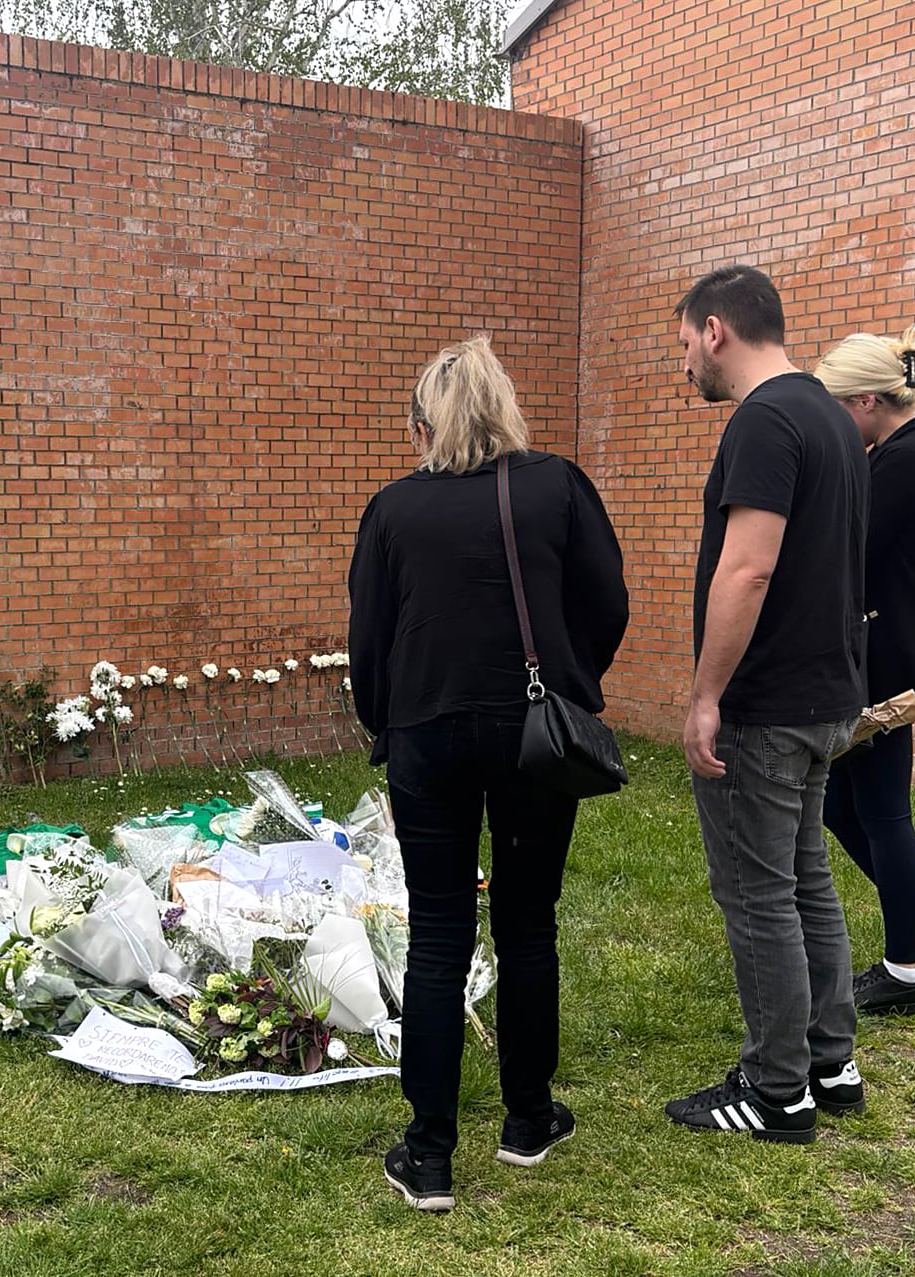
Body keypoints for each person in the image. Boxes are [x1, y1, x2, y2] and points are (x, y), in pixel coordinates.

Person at [350, 334, 627, 1211]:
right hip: (533, 735)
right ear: (503, 406)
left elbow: (369, 640)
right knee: (527, 922)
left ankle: (428, 1153)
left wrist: (383, 722)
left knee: (438, 934)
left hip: (426, 733)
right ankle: (527, 1117)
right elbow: (606, 602)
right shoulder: (557, 487)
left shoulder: (391, 509)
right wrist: (573, 683)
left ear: (425, 421)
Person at [667, 266, 870, 1144]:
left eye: (683, 345)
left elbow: (746, 568)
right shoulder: (830, 412)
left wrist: (706, 694)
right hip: (828, 696)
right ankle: (831, 1061)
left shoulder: (763, 421)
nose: (684, 367)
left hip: (768, 705)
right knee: (804, 883)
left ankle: (776, 1089)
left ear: (716, 330)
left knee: (756, 894)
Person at [813, 326, 915, 1014]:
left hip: (887, 660)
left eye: (839, 408)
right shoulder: (902, 451)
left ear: (869, 399)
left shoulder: (909, 461)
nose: (838, 425)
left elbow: (849, 546)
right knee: (838, 804)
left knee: (880, 811)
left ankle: (903, 969)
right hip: (882, 651)